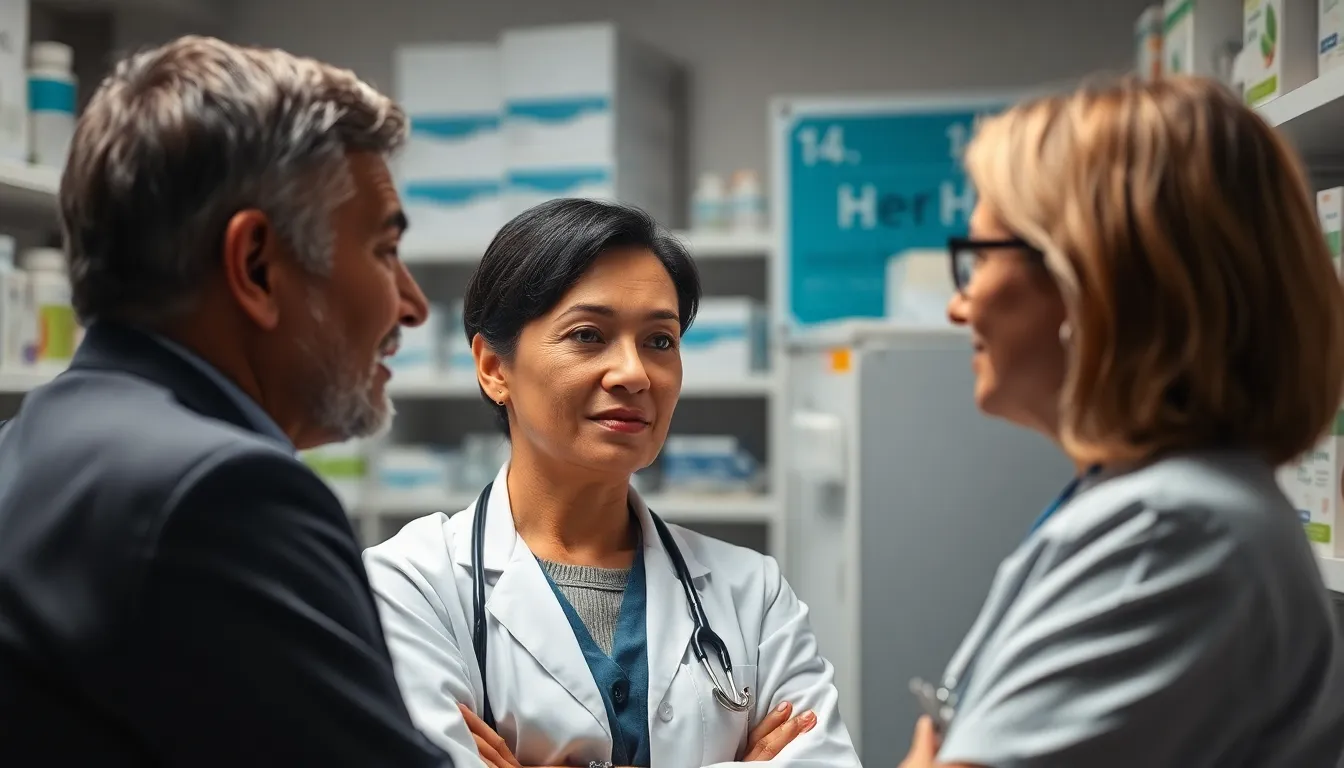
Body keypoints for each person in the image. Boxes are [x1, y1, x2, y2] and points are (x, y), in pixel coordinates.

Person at [0, 36, 455, 766]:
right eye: (383, 251)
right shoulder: (220, 495)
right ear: (256, 266)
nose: (413, 305)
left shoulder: (37, 440)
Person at [896, 75, 1344, 768]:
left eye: (980, 259)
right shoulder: (1158, 505)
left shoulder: (1175, 534)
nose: (960, 307)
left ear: (1093, 281)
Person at [363, 198, 860, 768]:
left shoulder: (753, 593)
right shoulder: (410, 587)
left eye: (659, 341)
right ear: (495, 369)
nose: (634, 373)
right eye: (588, 335)